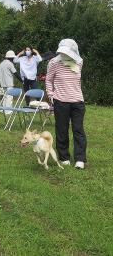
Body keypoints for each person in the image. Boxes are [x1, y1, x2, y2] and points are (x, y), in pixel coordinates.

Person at [45, 39, 87, 169]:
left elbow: (77, 82)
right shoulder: (54, 63)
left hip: (78, 102)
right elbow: (48, 79)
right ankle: (64, 157)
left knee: (78, 130)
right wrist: (51, 96)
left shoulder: (79, 62)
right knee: (62, 130)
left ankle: (80, 159)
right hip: (61, 102)